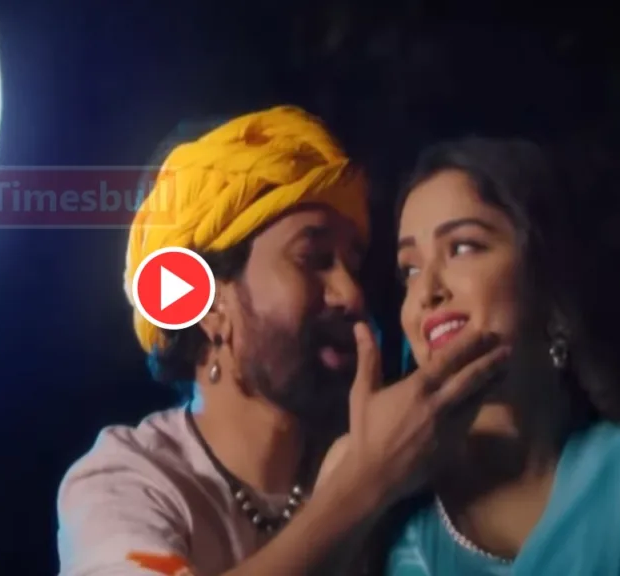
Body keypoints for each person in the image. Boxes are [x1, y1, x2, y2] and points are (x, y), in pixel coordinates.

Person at [54, 106, 510, 576]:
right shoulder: (126, 481)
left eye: (352, 265)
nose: (352, 294)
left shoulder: (382, 454)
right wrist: (363, 485)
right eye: (313, 259)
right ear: (209, 305)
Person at [370, 137, 620, 574]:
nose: (426, 291)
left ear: (547, 281)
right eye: (409, 268)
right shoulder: (379, 498)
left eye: (462, 247)